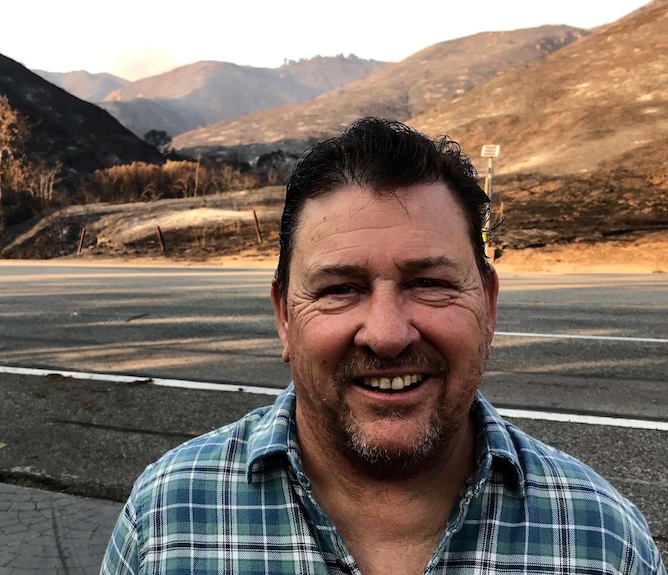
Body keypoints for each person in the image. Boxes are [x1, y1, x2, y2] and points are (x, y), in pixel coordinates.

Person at [100, 118, 665, 575]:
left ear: (488, 307)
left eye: (430, 284)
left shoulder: (602, 540)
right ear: (283, 316)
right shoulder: (168, 520)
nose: (389, 334)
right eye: (340, 289)